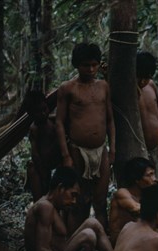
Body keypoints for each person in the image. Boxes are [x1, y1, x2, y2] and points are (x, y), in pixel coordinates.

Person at [24, 167, 112, 251]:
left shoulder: (54, 206)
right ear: (61, 188)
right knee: (88, 235)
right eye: (73, 195)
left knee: (93, 223)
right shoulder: (45, 207)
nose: (74, 201)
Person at [56, 43, 116, 233]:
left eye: (94, 64)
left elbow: (110, 120)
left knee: (100, 201)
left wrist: (112, 148)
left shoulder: (103, 86)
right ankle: (76, 242)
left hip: (101, 150)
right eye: (85, 65)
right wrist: (66, 155)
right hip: (77, 150)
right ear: (76, 65)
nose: (90, 69)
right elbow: (59, 122)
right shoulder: (68, 89)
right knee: (79, 201)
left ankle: (101, 245)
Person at [108, 157, 158, 247]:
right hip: (121, 242)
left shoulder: (148, 194)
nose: (154, 179)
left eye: (153, 174)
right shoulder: (123, 193)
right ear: (137, 179)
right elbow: (137, 209)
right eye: (149, 175)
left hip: (139, 238)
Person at [23, 90, 61, 201]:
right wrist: (43, 173)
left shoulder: (53, 122)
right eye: (38, 112)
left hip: (56, 162)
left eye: (45, 109)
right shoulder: (34, 129)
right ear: (31, 114)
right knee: (40, 198)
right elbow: (35, 154)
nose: (43, 113)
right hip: (42, 165)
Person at [137, 51, 158, 178]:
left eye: (146, 77)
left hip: (156, 146)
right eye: (139, 76)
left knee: (156, 181)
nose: (143, 81)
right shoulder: (128, 90)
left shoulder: (151, 85)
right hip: (138, 148)